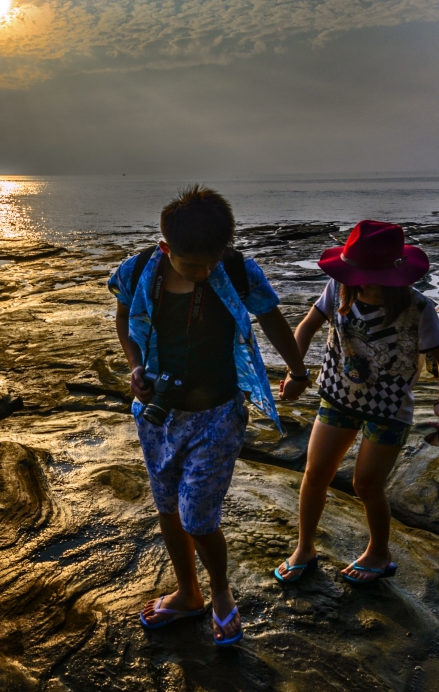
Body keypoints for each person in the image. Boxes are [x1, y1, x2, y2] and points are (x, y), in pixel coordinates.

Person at [109, 186, 310, 644]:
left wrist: (297, 369)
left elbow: (272, 319)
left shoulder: (238, 270)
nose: (203, 273)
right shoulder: (139, 270)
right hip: (158, 414)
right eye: (192, 264)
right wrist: (135, 366)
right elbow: (124, 321)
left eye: (211, 261)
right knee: (167, 510)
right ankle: (187, 593)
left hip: (218, 412)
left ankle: (219, 593)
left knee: (198, 517)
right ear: (166, 249)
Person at [275, 219, 439, 586]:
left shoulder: (417, 308)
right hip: (338, 395)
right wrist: (296, 375)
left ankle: (379, 552)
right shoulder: (338, 287)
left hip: (389, 408)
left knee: (366, 485)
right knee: (315, 473)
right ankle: (304, 547)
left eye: (377, 278)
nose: (368, 285)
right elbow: (306, 327)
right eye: (362, 276)